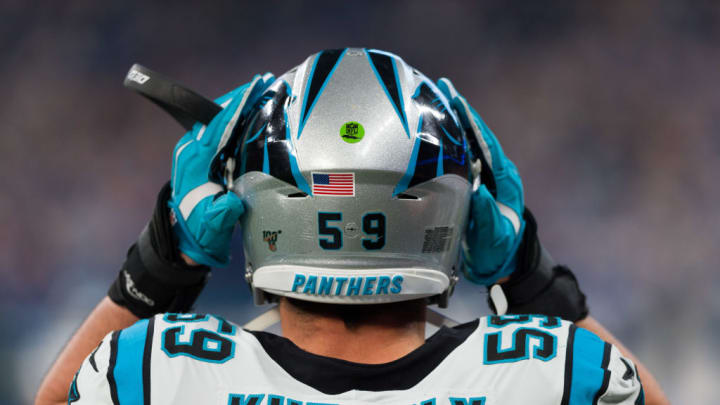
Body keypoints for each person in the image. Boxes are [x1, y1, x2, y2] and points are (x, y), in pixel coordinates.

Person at [35, 49, 668, 405]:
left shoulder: (159, 370)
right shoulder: (549, 372)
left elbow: (56, 400)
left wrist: (161, 261)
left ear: (257, 205)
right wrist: (526, 274)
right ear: (451, 208)